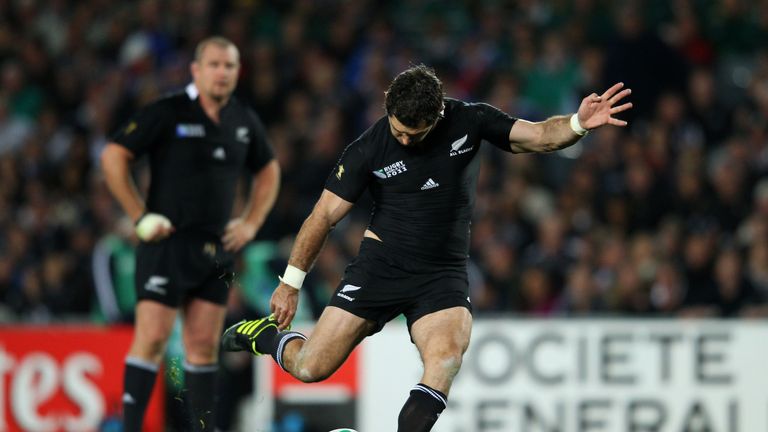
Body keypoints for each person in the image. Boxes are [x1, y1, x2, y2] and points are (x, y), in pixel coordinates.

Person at [222, 64, 631, 431]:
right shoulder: (369, 147)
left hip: (441, 274)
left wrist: (578, 122)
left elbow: (540, 136)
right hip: (380, 268)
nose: (399, 136)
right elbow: (323, 216)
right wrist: (291, 283)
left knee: (445, 360)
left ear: (436, 117)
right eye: (395, 126)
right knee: (311, 367)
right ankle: (267, 338)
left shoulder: (471, 120)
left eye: (409, 134)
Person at [101, 36, 280, 432]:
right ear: (196, 71)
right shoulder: (168, 112)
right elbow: (114, 155)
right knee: (152, 338)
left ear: (237, 73)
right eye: (214, 64)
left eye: (229, 66)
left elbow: (268, 170)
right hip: (167, 243)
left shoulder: (242, 120)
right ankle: (133, 427)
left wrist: (250, 221)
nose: (222, 72)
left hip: (215, 248)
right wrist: (139, 216)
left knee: (202, 345)